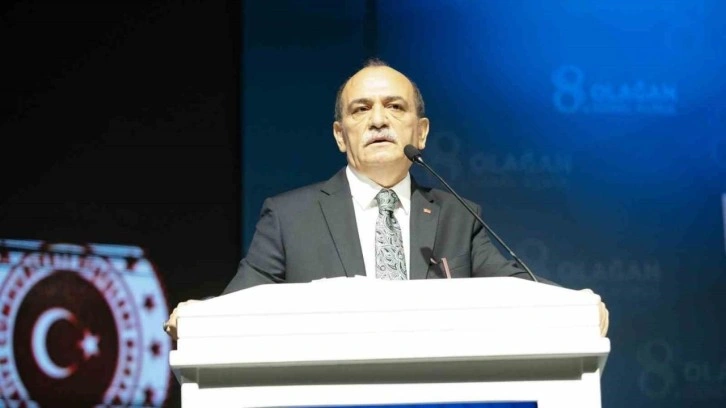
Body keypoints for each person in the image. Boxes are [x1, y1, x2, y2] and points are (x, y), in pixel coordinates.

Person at [164, 59, 609, 339]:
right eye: (361, 110)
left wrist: (576, 304)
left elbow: (514, 287)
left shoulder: (456, 215)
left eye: (395, 107)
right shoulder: (289, 217)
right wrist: (201, 316)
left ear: (421, 131)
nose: (378, 120)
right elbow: (241, 301)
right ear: (341, 136)